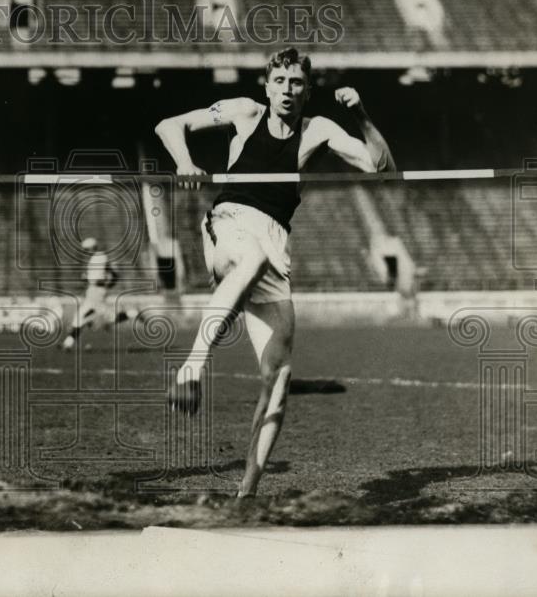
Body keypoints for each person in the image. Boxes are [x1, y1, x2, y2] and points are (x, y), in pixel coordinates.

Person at [154, 47, 395, 498]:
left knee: (279, 378)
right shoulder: (245, 112)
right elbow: (169, 125)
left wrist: (360, 114)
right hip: (229, 225)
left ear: (307, 91)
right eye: (280, 81)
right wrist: (184, 161)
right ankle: (191, 368)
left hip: (275, 243)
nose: (287, 90)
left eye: (296, 83)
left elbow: (381, 168)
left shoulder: (318, 130)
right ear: (267, 87)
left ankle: (246, 495)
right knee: (250, 260)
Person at [61, 237, 136, 351]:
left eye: (86, 249)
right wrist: (96, 280)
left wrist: (96, 281)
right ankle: (67, 344)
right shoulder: (96, 258)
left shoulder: (99, 258)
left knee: (99, 317)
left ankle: (133, 313)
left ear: (92, 248)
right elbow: (111, 273)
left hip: (96, 292)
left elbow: (100, 277)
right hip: (94, 291)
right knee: (84, 317)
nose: (85, 252)